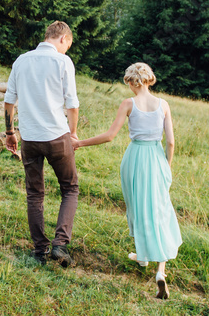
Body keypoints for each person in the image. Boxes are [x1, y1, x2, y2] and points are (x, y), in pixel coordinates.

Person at [73, 62, 181, 299]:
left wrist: (80, 143)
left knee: (138, 208)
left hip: (134, 159)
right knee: (160, 210)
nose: (130, 88)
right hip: (155, 158)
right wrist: (166, 166)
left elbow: (110, 136)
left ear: (133, 82)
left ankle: (142, 254)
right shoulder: (163, 105)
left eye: (129, 83)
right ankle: (159, 270)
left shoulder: (128, 104)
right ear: (148, 80)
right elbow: (171, 142)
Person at [4, 21, 80, 267]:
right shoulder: (62, 62)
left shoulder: (21, 60)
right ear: (62, 39)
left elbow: (9, 102)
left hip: (30, 138)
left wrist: (10, 132)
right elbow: (72, 105)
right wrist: (73, 133)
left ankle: (39, 251)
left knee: (34, 194)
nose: (66, 50)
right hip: (57, 136)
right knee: (69, 188)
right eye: (67, 45)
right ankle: (60, 244)